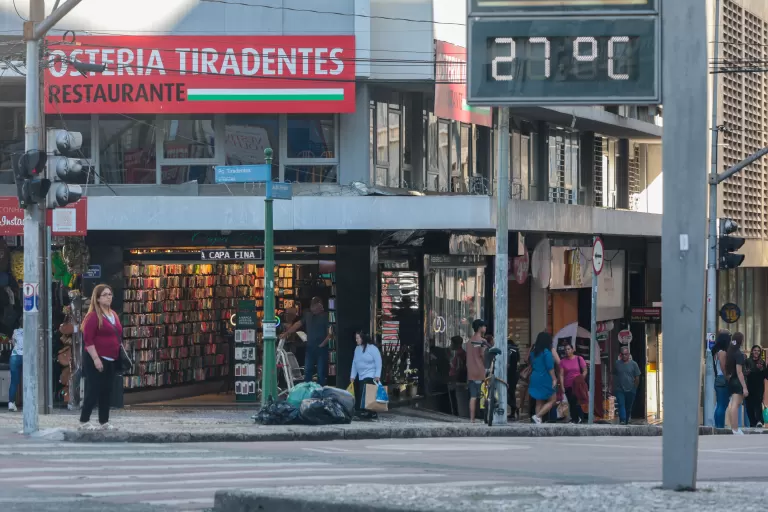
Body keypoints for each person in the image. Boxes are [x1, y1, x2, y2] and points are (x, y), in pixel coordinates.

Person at [80, 284, 121, 431]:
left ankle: (104, 421)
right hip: (95, 358)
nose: (108, 297)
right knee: (93, 389)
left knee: (107, 390)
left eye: (110, 294)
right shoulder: (93, 316)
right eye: (104, 295)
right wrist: (96, 359)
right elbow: (88, 339)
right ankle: (84, 420)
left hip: (111, 358)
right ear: (97, 298)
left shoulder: (114, 314)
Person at [281, 297, 330, 386]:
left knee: (321, 373)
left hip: (321, 349)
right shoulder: (308, 315)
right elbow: (297, 324)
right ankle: (307, 390)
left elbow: (330, 334)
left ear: (320, 306)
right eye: (312, 307)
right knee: (307, 371)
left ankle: (321, 390)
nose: (313, 309)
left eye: (316, 307)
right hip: (310, 347)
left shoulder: (325, 316)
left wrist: (323, 344)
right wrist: (287, 333)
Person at [350, 331, 382, 420]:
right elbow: (354, 363)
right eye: (356, 338)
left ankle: (368, 411)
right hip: (361, 375)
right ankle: (370, 412)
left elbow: (378, 362)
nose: (356, 340)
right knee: (362, 392)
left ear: (363, 338)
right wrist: (352, 376)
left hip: (371, 374)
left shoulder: (372, 348)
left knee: (366, 391)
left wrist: (377, 375)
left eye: (358, 338)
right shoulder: (357, 349)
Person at [528, 332, 557, 424]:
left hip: (535, 377)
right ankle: (537, 416)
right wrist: (554, 379)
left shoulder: (533, 353)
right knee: (553, 400)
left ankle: (538, 421)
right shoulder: (546, 352)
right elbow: (550, 367)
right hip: (544, 377)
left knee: (539, 401)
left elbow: (531, 363)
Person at [465, 319, 488, 423]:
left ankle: (472, 419)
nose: (485, 328)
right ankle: (484, 418)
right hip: (480, 371)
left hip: (471, 371)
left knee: (473, 396)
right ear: (480, 328)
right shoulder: (482, 341)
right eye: (484, 326)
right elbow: (483, 355)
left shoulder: (469, 342)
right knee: (483, 395)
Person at [726, 332, 748, 435]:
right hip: (738, 381)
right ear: (741, 341)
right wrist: (744, 387)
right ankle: (735, 429)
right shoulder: (739, 354)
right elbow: (739, 372)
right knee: (736, 404)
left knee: (732, 404)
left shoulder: (730, 352)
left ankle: (733, 427)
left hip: (732, 380)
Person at [559, 342, 587, 424]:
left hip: (577, 385)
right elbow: (561, 375)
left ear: (573, 350)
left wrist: (581, 379)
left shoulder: (579, 359)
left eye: (568, 349)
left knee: (577, 401)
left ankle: (579, 418)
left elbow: (585, 370)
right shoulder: (562, 361)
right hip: (568, 385)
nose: (567, 351)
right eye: (565, 350)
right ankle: (575, 418)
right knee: (571, 402)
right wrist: (562, 386)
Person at [613, 346, 641, 425]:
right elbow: (614, 374)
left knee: (628, 407)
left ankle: (626, 421)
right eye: (623, 354)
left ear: (629, 354)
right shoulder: (617, 363)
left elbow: (637, 377)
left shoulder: (634, 364)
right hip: (619, 389)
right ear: (620, 355)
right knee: (621, 404)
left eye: (626, 354)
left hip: (630, 389)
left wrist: (634, 388)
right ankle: (622, 420)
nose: (624, 356)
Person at [712, 331, 731, 429]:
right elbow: (723, 368)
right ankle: (720, 426)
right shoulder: (722, 353)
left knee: (719, 404)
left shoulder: (716, 352)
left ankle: (717, 425)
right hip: (723, 379)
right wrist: (728, 378)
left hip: (718, 379)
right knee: (722, 405)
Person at [745, 344, 766, 428]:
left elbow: (765, 375)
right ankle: (752, 422)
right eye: (755, 350)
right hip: (749, 385)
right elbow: (744, 373)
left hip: (759, 386)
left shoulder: (762, 362)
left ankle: (759, 421)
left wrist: (761, 369)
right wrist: (747, 372)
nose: (756, 352)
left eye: (758, 351)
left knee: (758, 403)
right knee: (749, 405)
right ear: (752, 352)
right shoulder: (747, 361)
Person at [7, 320, 22, 412]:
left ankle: (11, 403)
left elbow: (13, 343)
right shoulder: (31, 331)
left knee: (14, 382)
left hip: (14, 356)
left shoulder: (15, 331)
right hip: (26, 356)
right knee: (29, 380)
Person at [507, 338, 520, 420]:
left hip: (509, 374)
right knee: (511, 393)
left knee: (507, 393)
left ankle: (514, 407)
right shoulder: (516, 350)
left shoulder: (508, 350)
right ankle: (513, 411)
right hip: (515, 374)